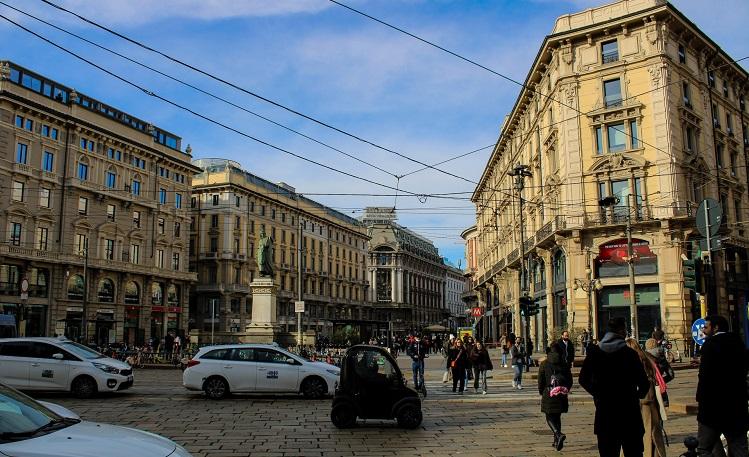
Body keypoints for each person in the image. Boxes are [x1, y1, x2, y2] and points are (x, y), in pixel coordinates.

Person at [579, 317, 650, 457]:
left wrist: (598, 393)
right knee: (634, 452)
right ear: (621, 331)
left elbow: (583, 379)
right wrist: (636, 395)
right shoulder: (630, 354)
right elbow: (644, 383)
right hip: (629, 414)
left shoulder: (595, 353)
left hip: (605, 414)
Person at [695, 315, 749, 456]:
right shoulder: (739, 343)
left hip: (712, 408)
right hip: (737, 406)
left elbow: (705, 378)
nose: (704, 330)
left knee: (704, 448)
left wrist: (701, 400)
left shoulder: (710, 345)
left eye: (706, 327)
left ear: (716, 327)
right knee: (739, 447)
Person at [625, 338, 667, 457]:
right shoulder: (647, 360)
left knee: (647, 437)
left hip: (644, 404)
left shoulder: (638, 362)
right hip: (650, 405)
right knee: (651, 436)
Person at [538, 343, 573, 451]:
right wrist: (565, 389)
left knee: (549, 416)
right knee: (557, 417)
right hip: (561, 393)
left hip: (549, 392)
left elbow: (541, 380)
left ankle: (558, 434)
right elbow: (570, 380)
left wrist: (541, 391)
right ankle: (556, 441)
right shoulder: (564, 363)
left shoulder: (544, 363)